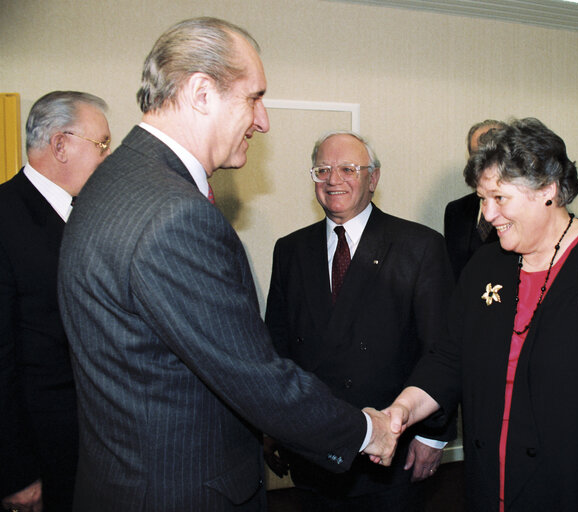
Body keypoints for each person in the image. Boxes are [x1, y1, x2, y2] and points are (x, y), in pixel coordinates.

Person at [57, 18, 398, 512]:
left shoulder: (113, 180)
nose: (263, 121)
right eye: (254, 97)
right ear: (201, 92)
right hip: (180, 489)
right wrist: (369, 430)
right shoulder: (174, 214)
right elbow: (255, 377)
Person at [385, 118, 578, 511]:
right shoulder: (486, 267)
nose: (487, 214)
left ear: (548, 190)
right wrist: (400, 411)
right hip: (493, 489)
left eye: (499, 198)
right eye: (482, 199)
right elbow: (449, 359)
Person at [264, 131, 455, 511]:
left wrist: (434, 438)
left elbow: (442, 352)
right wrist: (274, 428)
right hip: (313, 449)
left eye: (349, 169)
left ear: (374, 178)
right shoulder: (290, 249)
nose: (334, 180)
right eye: (323, 170)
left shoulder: (419, 246)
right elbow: (276, 346)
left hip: (390, 456)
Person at [0, 91, 111, 512]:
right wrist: (16, 472)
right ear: (61, 144)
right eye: (100, 143)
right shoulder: (5, 215)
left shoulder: (86, 216)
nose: (107, 155)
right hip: (38, 452)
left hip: (92, 447)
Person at [444, 119, 507, 280]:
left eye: (491, 155)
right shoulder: (455, 210)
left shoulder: (519, 211)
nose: (483, 164)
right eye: (477, 155)